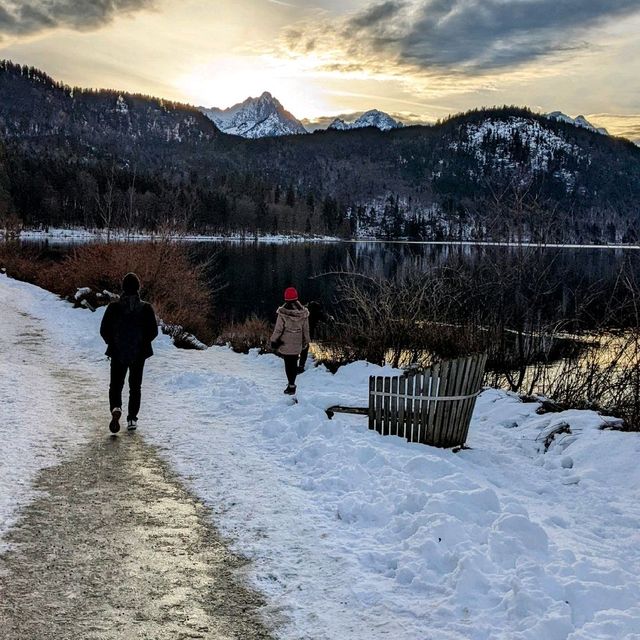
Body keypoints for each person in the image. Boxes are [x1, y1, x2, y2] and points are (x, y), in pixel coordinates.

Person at [100, 272, 158, 433]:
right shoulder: (146, 308)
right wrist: (142, 343)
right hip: (139, 353)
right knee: (135, 386)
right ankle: (132, 418)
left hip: (118, 351)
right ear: (138, 288)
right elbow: (153, 331)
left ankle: (116, 408)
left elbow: (104, 329)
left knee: (116, 385)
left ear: (123, 288)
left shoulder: (113, 307)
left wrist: (113, 343)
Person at [270, 287, 310, 395]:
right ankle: (292, 384)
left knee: (288, 365)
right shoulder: (303, 313)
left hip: (285, 343)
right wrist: (306, 341)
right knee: (294, 363)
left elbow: (278, 329)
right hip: (297, 344)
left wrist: (273, 340)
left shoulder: (283, 313)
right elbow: (306, 329)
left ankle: (291, 384)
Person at [298, 300, 333, 373]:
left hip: (297, 331)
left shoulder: (302, 309)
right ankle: (301, 366)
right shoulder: (316, 311)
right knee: (304, 350)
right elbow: (325, 318)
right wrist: (331, 319)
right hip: (308, 333)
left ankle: (292, 364)